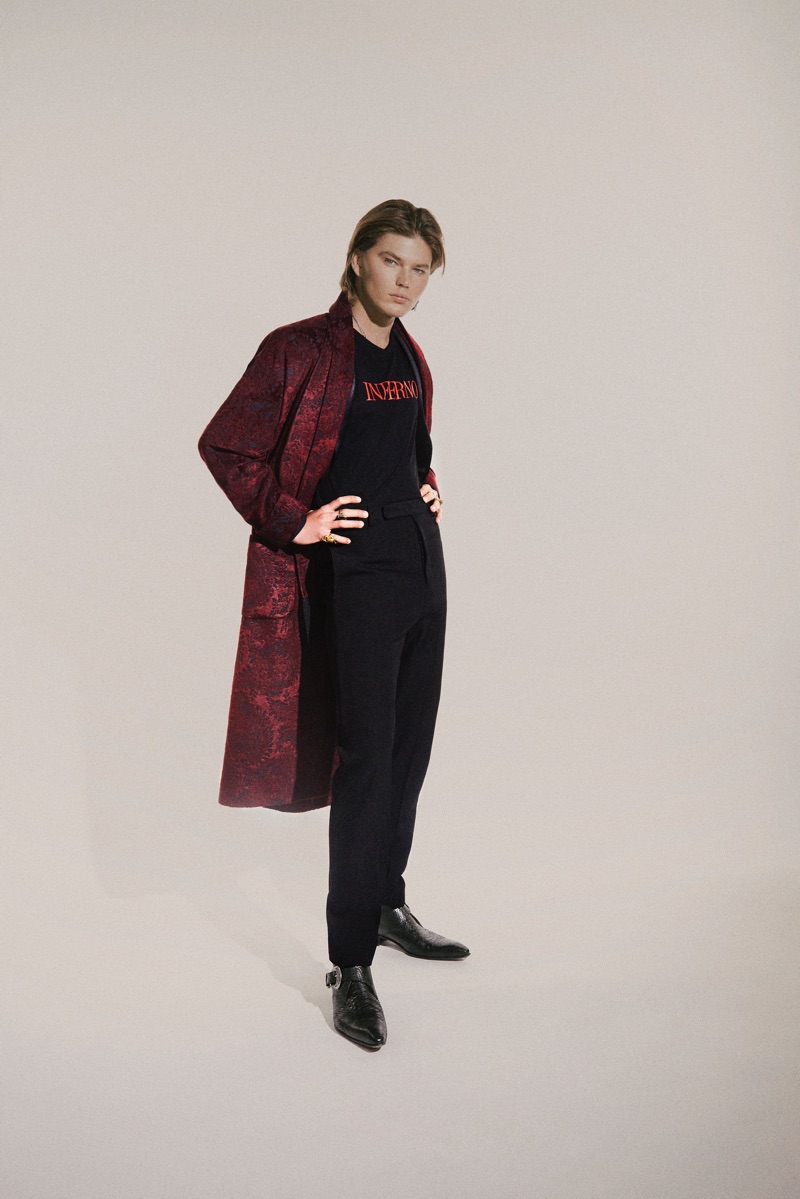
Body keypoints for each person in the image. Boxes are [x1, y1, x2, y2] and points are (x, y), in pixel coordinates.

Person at [199, 199, 469, 1050]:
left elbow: (407, 447)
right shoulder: (300, 349)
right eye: (392, 261)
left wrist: (426, 487)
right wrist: (297, 519)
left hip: (421, 564)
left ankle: (386, 902)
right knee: (366, 760)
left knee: (409, 751)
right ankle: (350, 959)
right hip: (356, 575)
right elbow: (226, 446)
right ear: (357, 258)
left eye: (420, 269)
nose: (406, 281)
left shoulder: (410, 354)